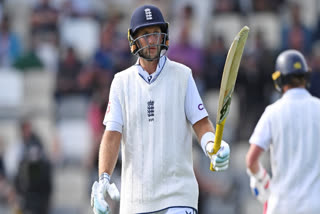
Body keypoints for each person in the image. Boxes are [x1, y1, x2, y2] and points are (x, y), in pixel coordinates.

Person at [90, 4, 230, 214]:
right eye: (145, 34)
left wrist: (212, 146)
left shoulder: (183, 75)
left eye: (155, 33)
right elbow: (111, 136)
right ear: (133, 40)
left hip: (178, 195)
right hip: (136, 200)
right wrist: (103, 179)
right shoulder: (121, 82)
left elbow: (201, 123)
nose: (152, 39)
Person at [246, 49, 320, 214]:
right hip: (315, 205)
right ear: (306, 77)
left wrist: (262, 180)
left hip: (282, 206)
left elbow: (251, 160)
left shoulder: (273, 112)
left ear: (279, 80)